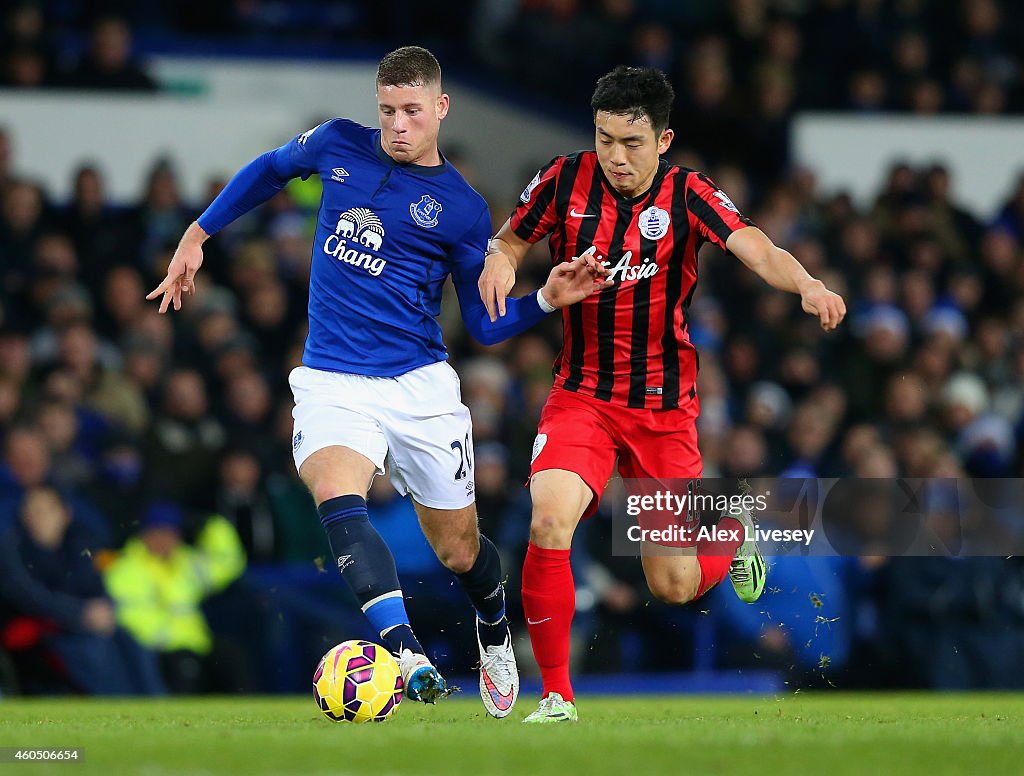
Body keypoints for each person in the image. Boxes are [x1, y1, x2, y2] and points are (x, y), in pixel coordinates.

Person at [147, 46, 608, 717]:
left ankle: (492, 622)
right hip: (333, 380)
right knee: (338, 494)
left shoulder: (463, 209)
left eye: (412, 111)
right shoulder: (337, 144)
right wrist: (199, 232)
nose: (397, 125)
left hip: (418, 388)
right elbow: (271, 170)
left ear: (440, 109)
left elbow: (481, 326)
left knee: (458, 551)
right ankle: (405, 651)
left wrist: (544, 302)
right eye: (388, 110)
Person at [480, 65, 847, 722]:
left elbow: (755, 245)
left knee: (673, 584)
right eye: (605, 139)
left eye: (632, 143)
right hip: (582, 398)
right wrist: (500, 267)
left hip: (660, 411)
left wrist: (809, 286)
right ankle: (558, 695)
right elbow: (509, 240)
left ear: (664, 139)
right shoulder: (563, 178)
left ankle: (734, 534)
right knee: (547, 518)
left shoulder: (688, 193)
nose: (615, 157)